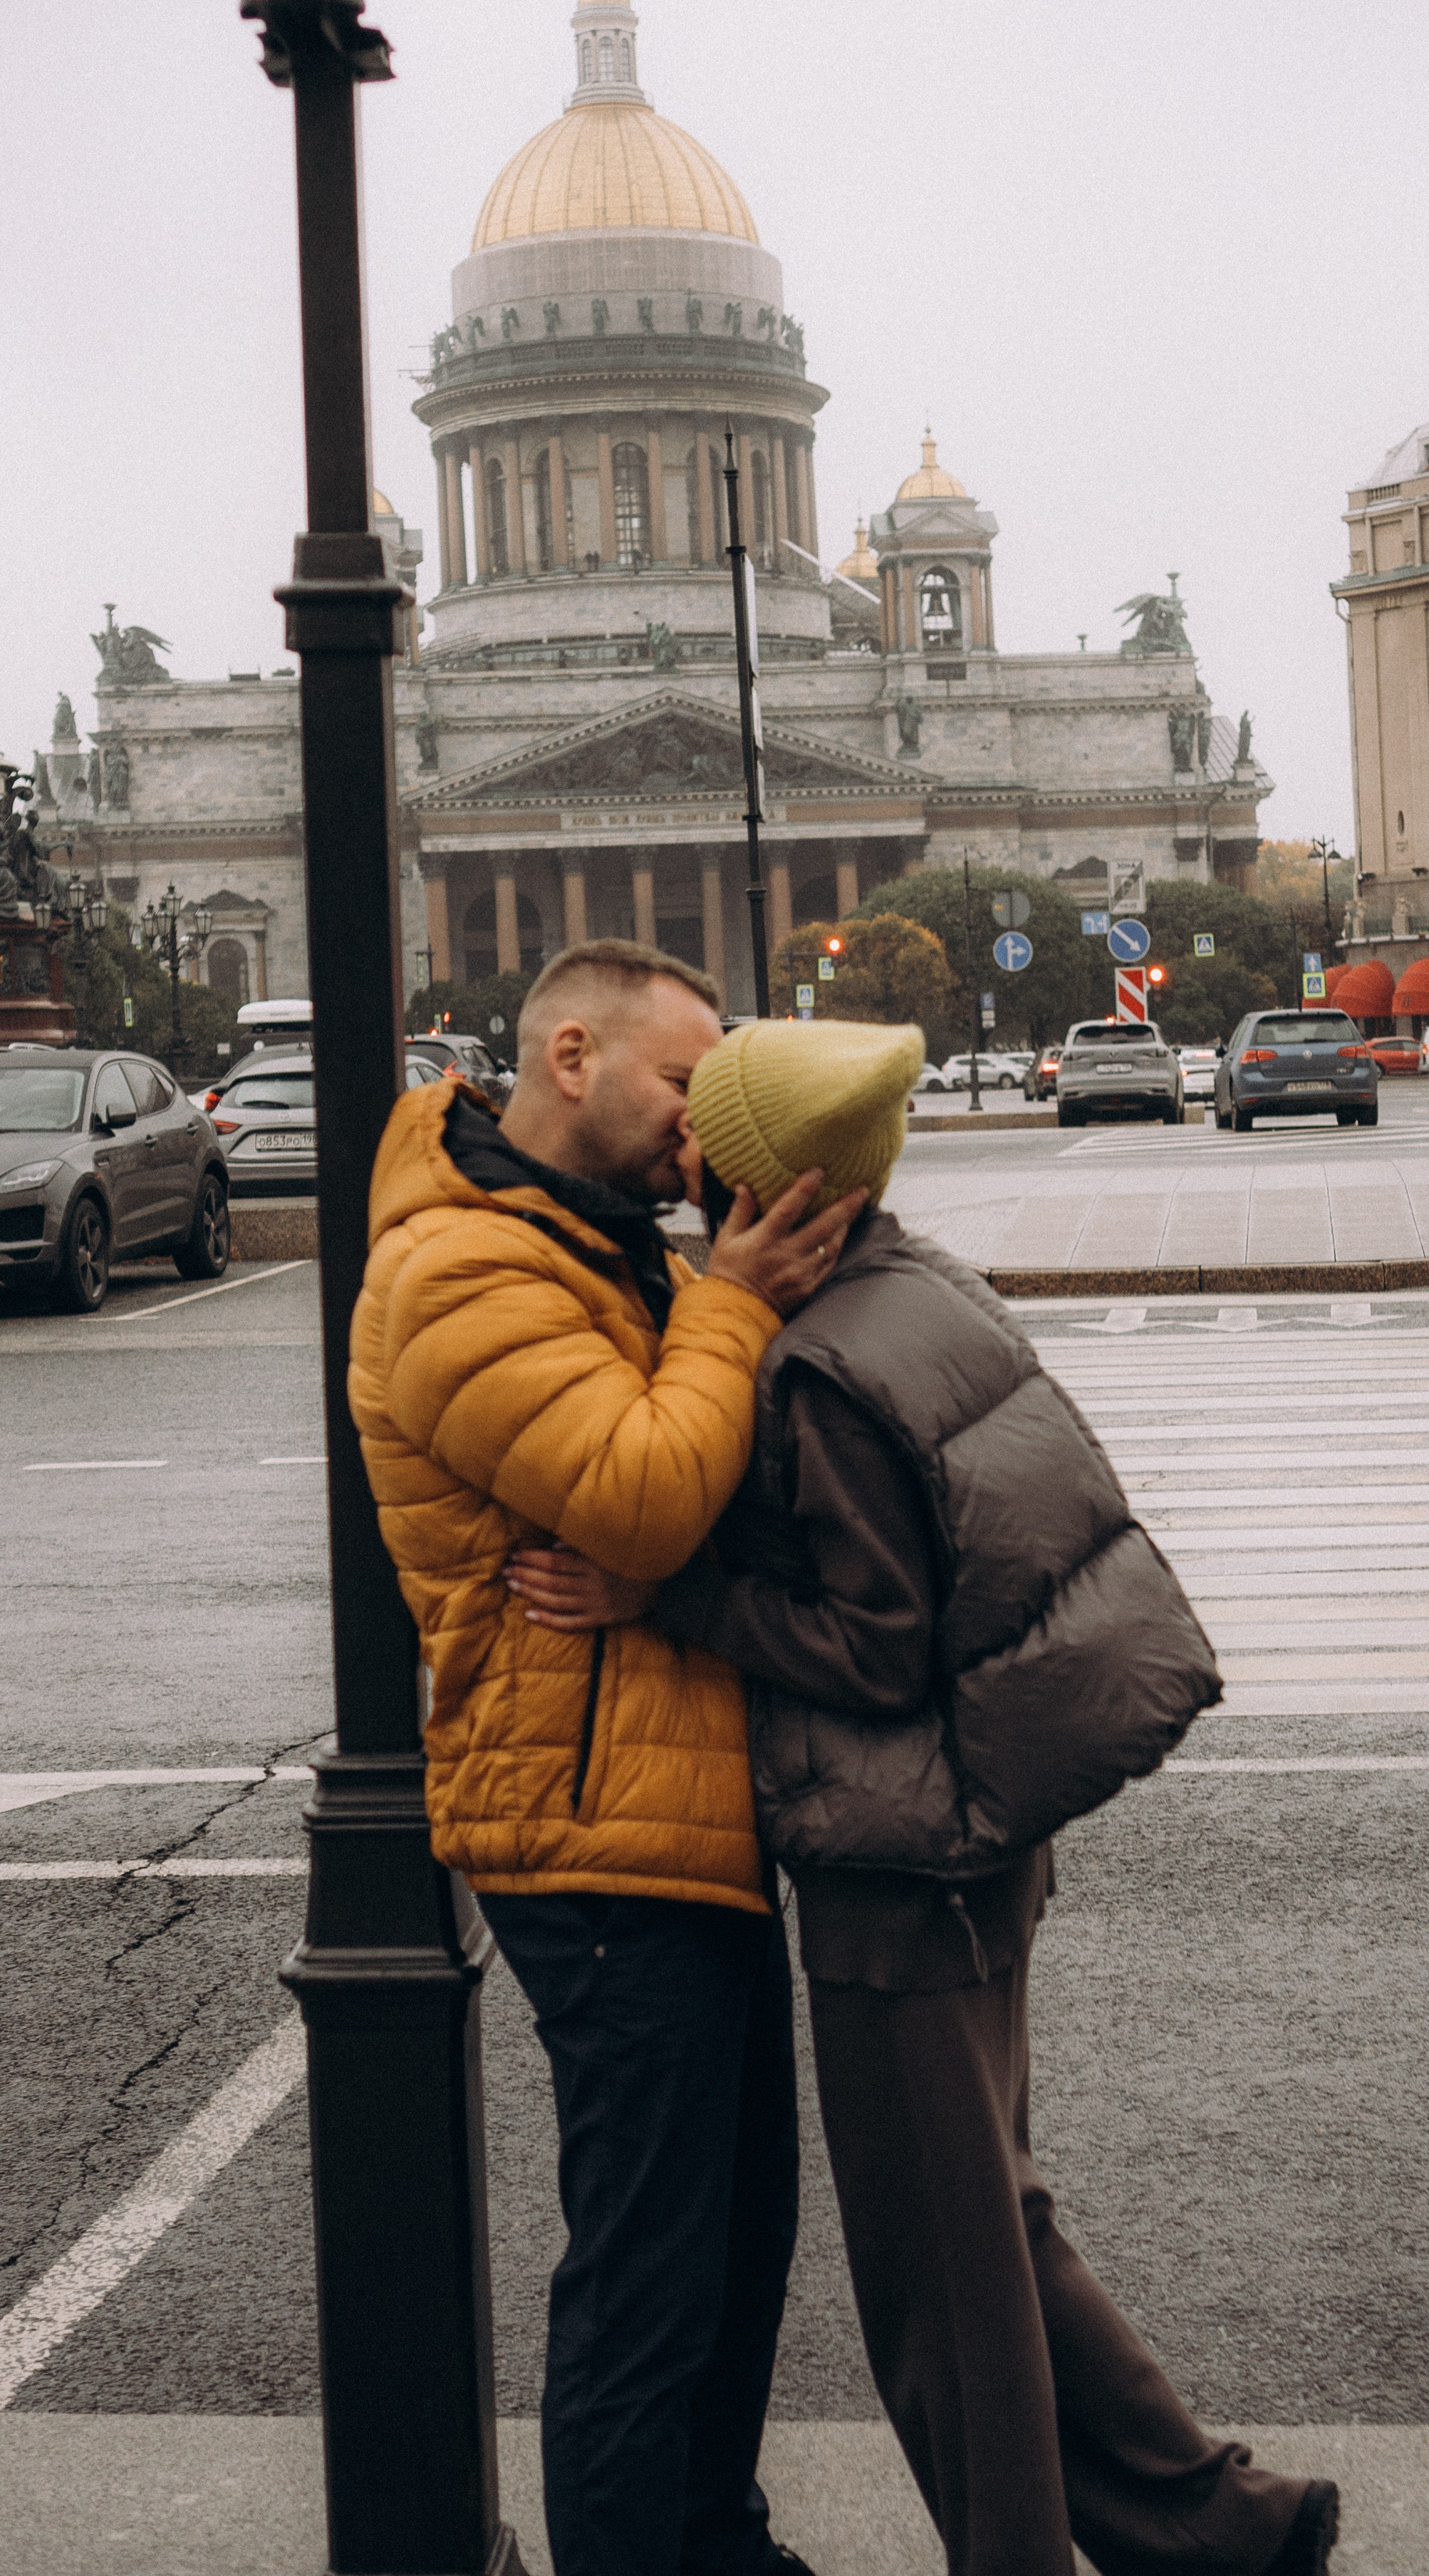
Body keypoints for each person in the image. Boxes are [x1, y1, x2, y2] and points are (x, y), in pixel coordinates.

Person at [510, 1020, 1341, 2576]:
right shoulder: (916, 1281)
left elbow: (874, 1647)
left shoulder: (815, 1367)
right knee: (997, 2228)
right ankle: (1219, 2525)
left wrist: (664, 1598)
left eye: (707, 1132)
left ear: (760, 1181)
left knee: (938, 2296)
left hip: (899, 1864)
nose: (677, 1149)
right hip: (982, 1840)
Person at [349, 941, 866, 2576]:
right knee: (648, 2281)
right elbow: (642, 1493)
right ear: (570, 1055)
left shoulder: (606, 1242)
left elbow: (699, 1500)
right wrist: (727, 1304)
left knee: (729, 2253)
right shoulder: (459, 1270)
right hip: (584, 1826)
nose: (699, 1119)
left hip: (676, 1805)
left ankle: (718, 2546)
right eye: (678, 1078)